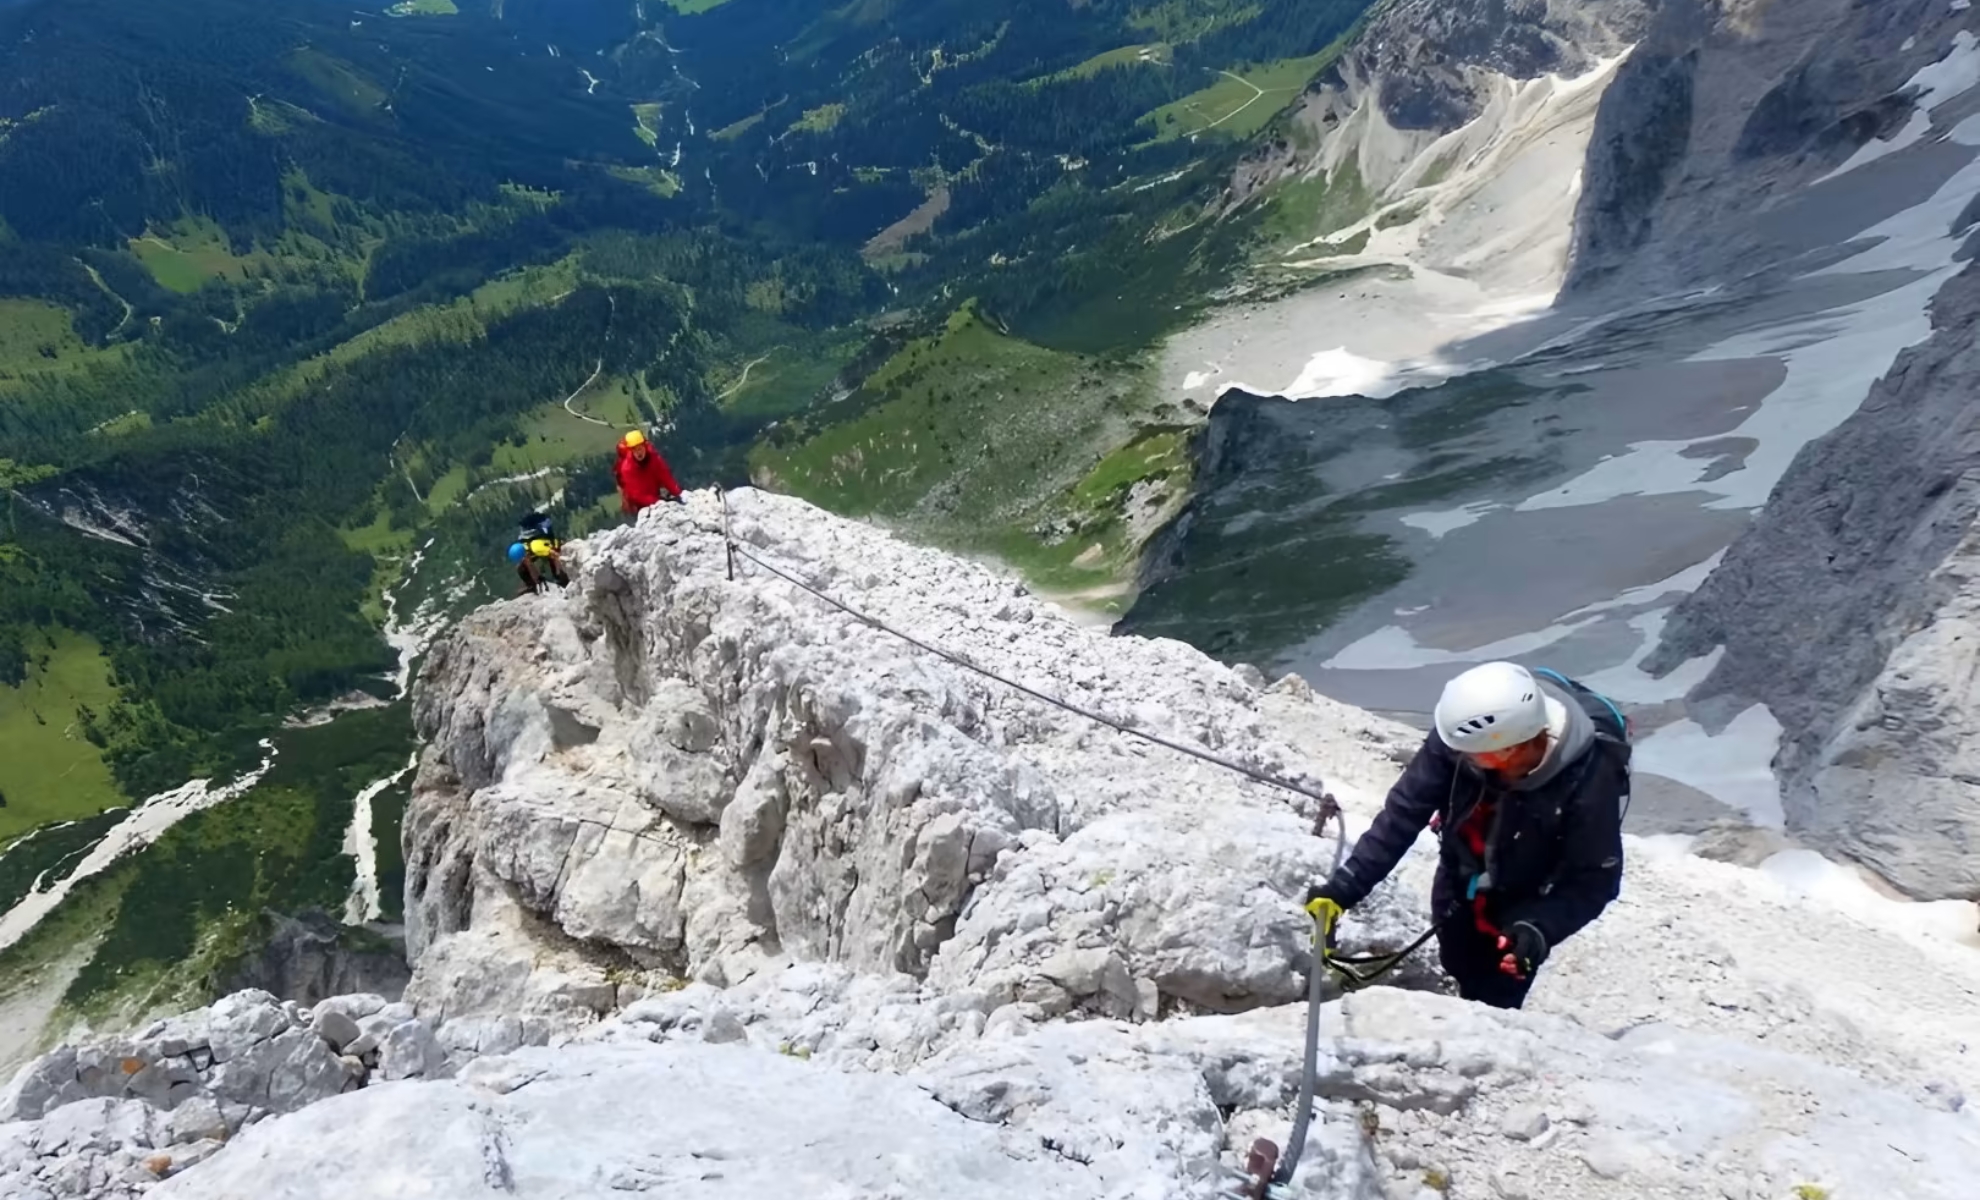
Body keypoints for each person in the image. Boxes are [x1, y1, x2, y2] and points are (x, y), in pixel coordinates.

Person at [1304, 661, 1630, 1009]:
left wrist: (1538, 928)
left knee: (1498, 991)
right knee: (1457, 957)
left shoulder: (1589, 783)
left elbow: (1595, 879)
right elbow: (1404, 813)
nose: (1458, 758)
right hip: (1460, 870)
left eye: (1474, 756)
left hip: (1527, 893)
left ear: (1509, 749)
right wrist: (1344, 888)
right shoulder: (1464, 737)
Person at [612, 429, 684, 516]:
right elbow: (636, 494)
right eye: (635, 449)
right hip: (639, 505)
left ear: (645, 446)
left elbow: (666, 477)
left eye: (640, 448)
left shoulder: (654, 458)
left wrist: (678, 493)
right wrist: (657, 502)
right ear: (631, 450)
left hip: (654, 494)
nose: (639, 452)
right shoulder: (627, 469)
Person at [510, 511, 569, 595]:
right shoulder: (538, 545)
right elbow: (557, 556)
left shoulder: (525, 545)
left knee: (521, 567)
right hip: (556, 570)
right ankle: (561, 581)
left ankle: (531, 586)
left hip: (537, 575)